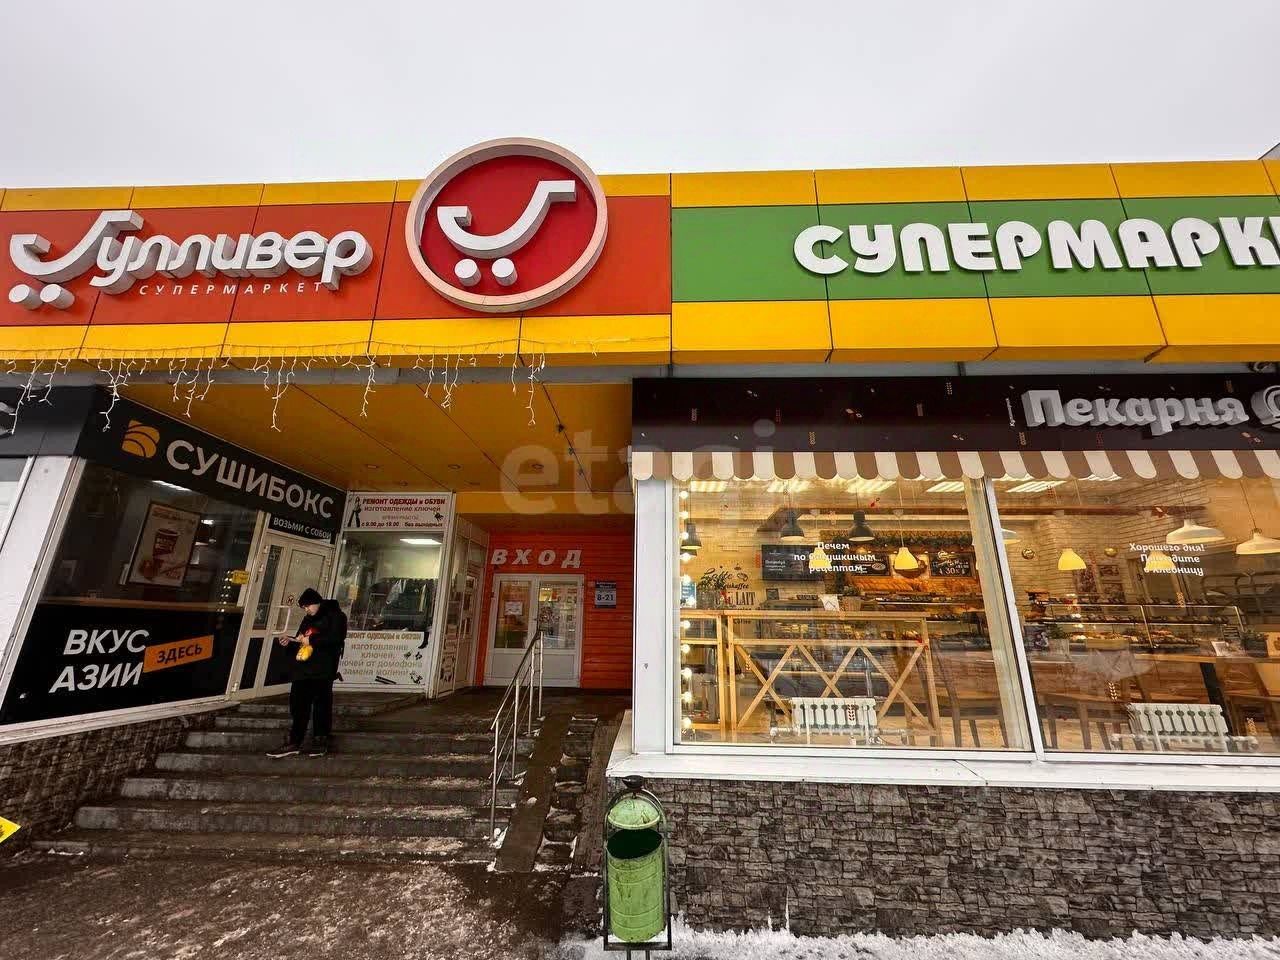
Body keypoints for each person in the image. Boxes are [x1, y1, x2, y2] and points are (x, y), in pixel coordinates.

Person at [267, 587, 346, 758]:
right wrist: (290, 641)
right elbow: (300, 638)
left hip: (323, 669)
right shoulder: (308, 619)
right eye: (304, 607)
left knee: (321, 705)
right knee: (298, 705)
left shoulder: (336, 616)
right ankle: (295, 741)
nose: (306, 610)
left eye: (307, 606)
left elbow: (335, 638)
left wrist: (311, 640)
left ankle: (320, 739)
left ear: (317, 602)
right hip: (304, 668)